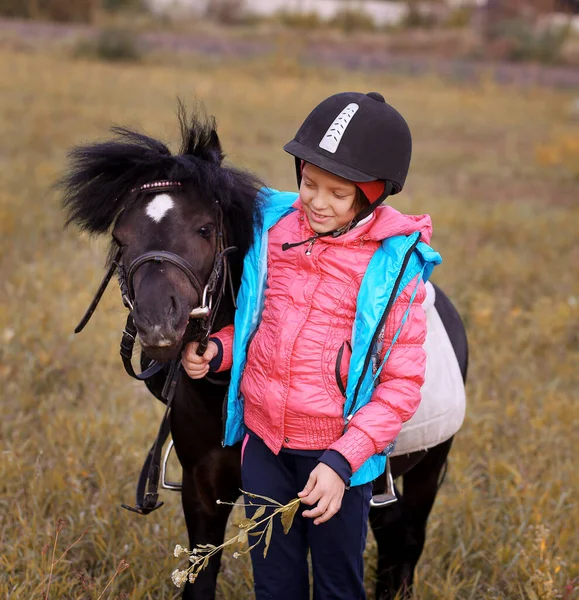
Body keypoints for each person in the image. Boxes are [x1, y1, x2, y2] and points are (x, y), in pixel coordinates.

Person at [182, 91, 441, 600]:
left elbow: (401, 386)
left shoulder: (395, 271)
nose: (317, 202)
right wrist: (219, 349)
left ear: (371, 195)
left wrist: (343, 462)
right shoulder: (276, 232)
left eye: (338, 193)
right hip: (265, 447)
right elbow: (260, 326)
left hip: (335, 457)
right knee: (273, 583)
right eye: (308, 183)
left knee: (336, 586)